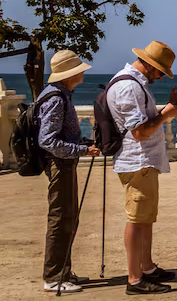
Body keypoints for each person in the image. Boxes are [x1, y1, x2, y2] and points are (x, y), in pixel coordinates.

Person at [106, 41, 177, 294]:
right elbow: (140, 131)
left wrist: (168, 106)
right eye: (160, 72)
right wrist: (168, 111)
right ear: (150, 65)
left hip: (142, 161)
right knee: (136, 219)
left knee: (144, 218)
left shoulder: (134, 84)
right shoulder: (129, 87)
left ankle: (147, 267)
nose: (160, 77)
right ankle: (134, 279)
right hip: (137, 160)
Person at [36, 50, 103, 293]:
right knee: (60, 219)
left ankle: (63, 270)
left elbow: (62, 135)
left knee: (68, 218)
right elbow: (48, 140)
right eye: (79, 69)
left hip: (63, 164)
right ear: (69, 74)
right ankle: (53, 277)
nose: (83, 72)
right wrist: (82, 150)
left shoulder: (61, 94)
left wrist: (84, 144)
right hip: (60, 165)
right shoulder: (56, 98)